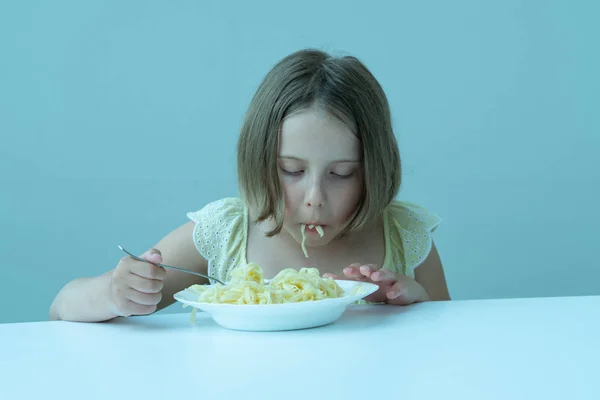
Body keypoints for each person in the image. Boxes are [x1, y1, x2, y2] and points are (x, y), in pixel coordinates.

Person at [49, 48, 451, 322]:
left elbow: (457, 337)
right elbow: (60, 308)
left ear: (375, 169)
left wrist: (418, 304)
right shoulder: (227, 233)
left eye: (341, 173)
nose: (314, 199)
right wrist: (114, 294)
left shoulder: (403, 236)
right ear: (258, 162)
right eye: (291, 171)